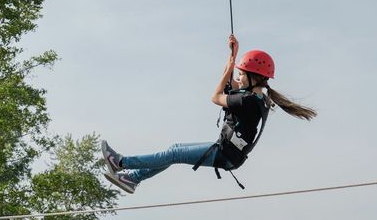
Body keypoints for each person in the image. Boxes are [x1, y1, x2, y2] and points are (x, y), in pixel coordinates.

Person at [101, 34, 316, 194]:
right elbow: (229, 81)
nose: (239, 79)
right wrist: (232, 55)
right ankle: (133, 179)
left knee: (174, 153)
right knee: (175, 151)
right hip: (228, 153)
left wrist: (231, 64)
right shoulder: (257, 98)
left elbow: (215, 96)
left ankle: (121, 163)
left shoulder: (246, 100)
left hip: (225, 154)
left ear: (253, 77)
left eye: (242, 74)